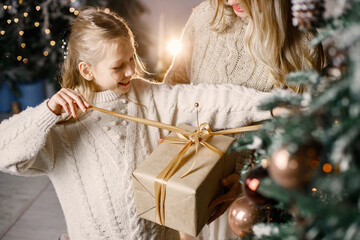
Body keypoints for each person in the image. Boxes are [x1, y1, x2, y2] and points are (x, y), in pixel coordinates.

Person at [0, 7, 286, 240]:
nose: (130, 71)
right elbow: (5, 154)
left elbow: (208, 99)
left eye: (131, 59)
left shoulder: (148, 97)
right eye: (117, 66)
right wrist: (46, 112)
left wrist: (271, 106)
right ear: (86, 70)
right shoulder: (61, 124)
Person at [164, 0, 324, 239]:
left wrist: (246, 182)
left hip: (257, 203)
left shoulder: (303, 43)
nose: (228, 1)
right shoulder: (204, 17)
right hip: (193, 183)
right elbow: (174, 88)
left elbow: (302, 139)